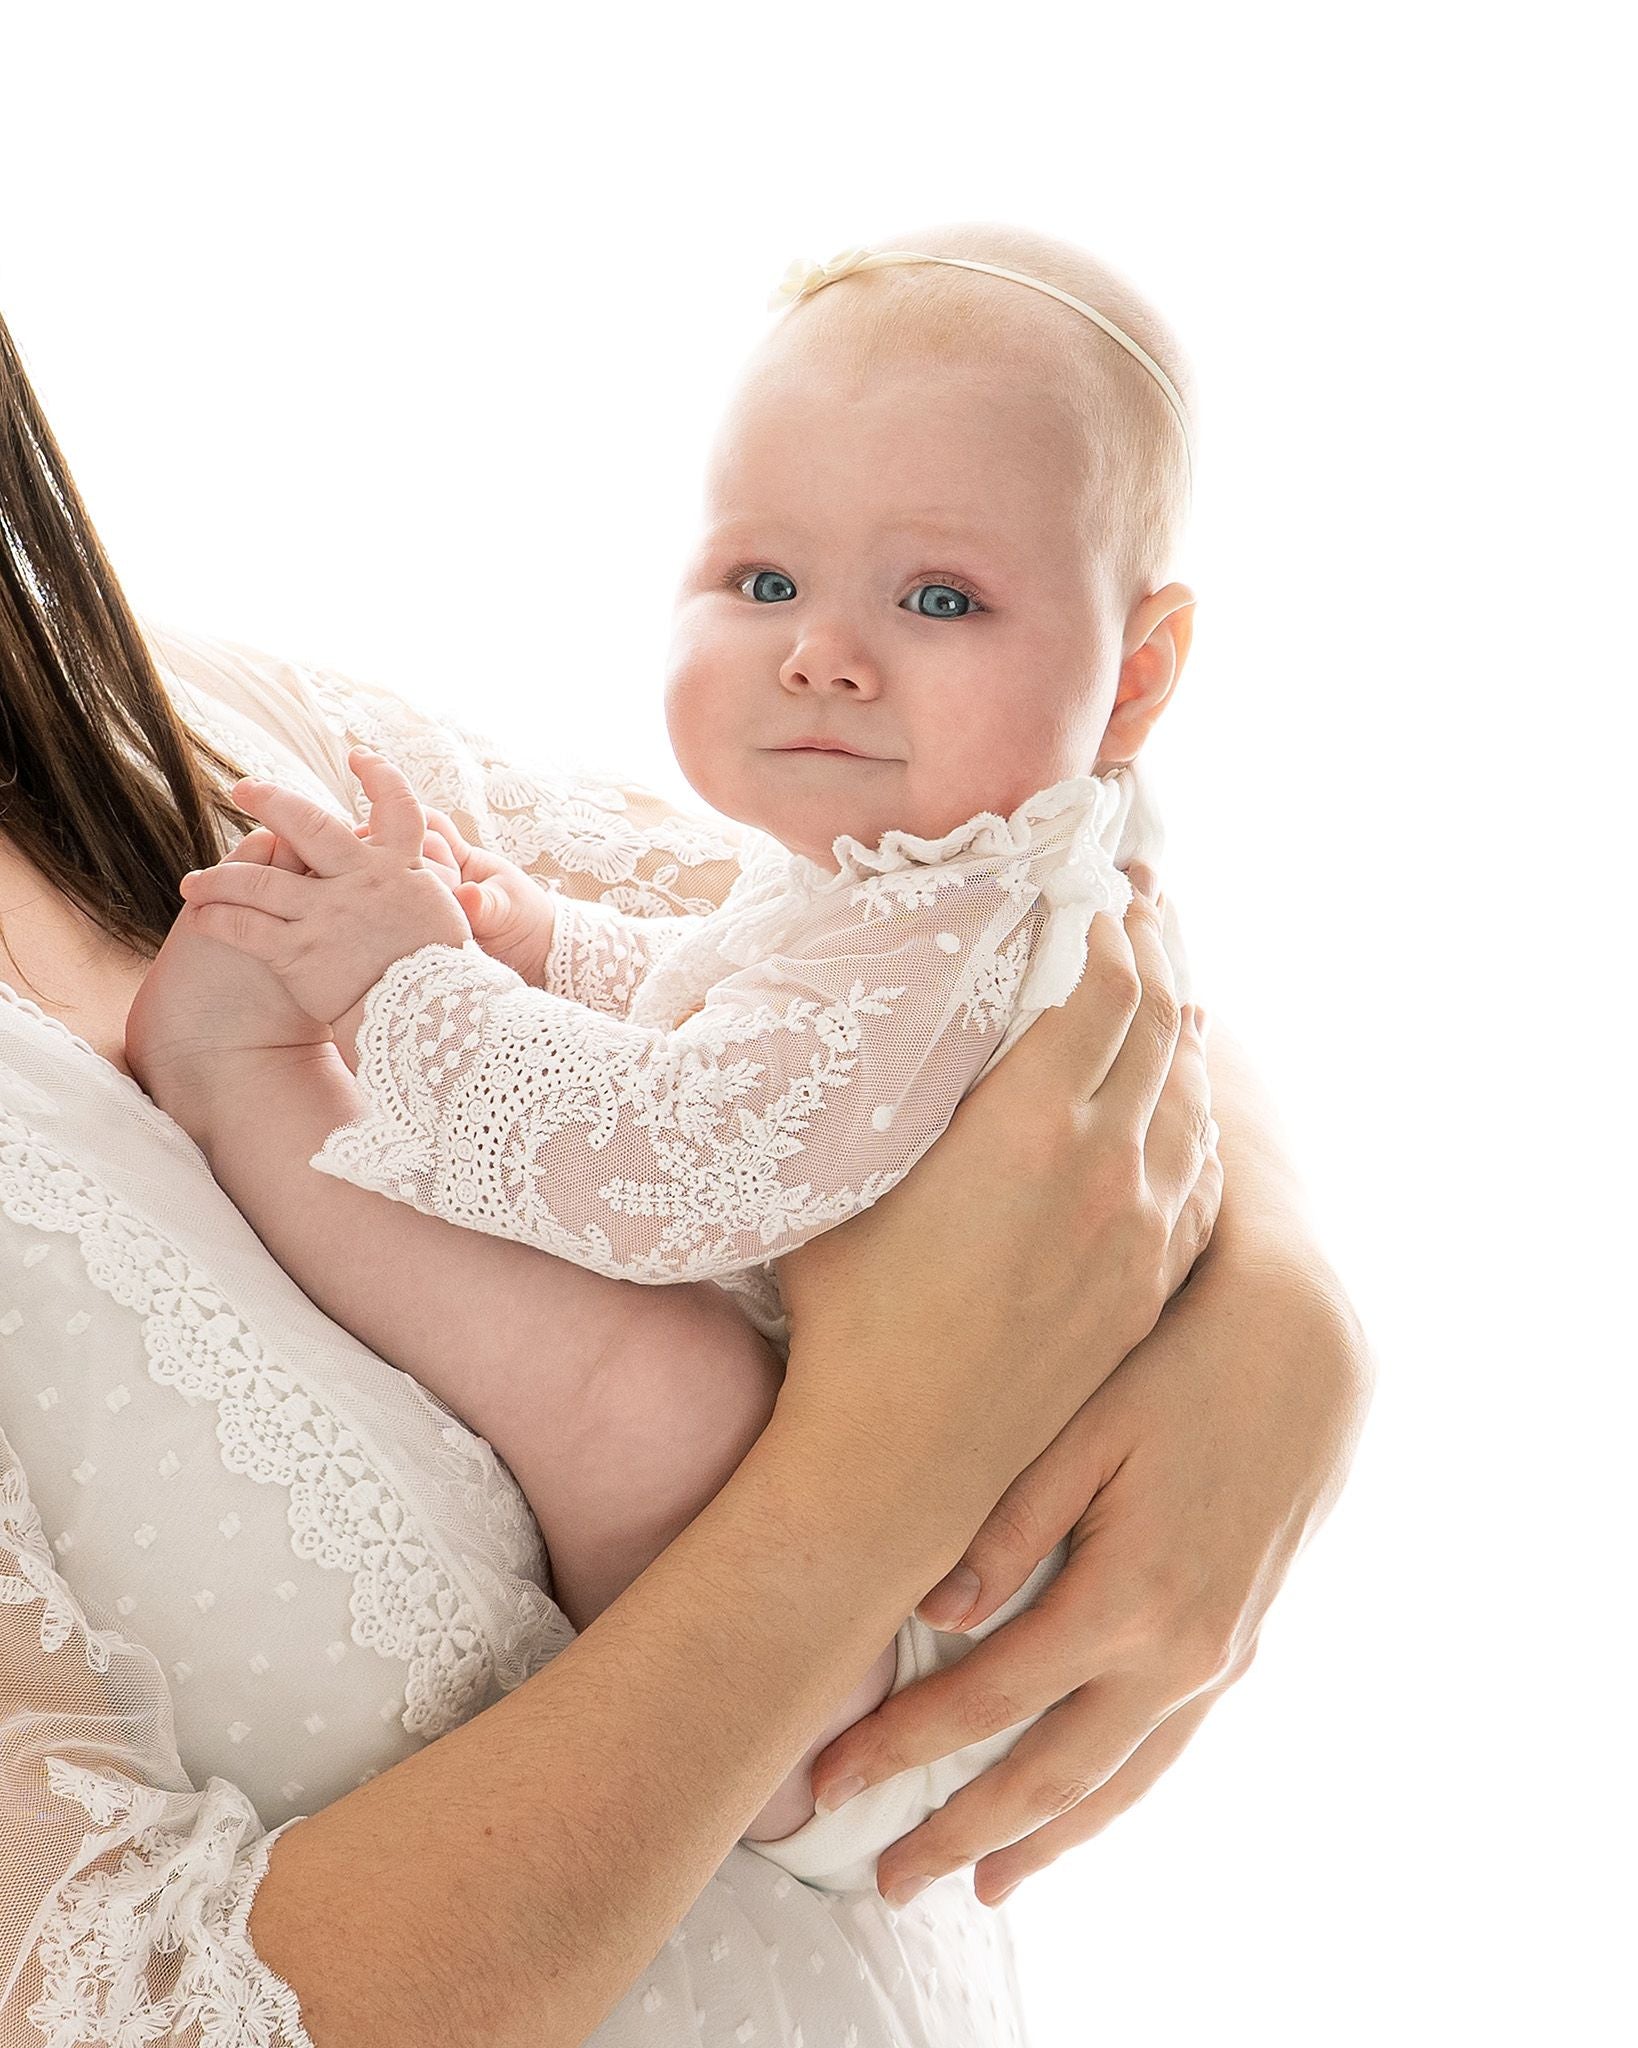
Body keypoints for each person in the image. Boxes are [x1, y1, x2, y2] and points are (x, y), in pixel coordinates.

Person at [0, 248, 1372, 2048]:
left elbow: (787, 1008)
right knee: (671, 1404)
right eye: (764, 580)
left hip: (922, 1721)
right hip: (863, 1674)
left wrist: (1287, 1315)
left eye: (942, 597)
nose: (822, 651)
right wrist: (874, 1473)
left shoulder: (186, 723)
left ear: (1139, 675)